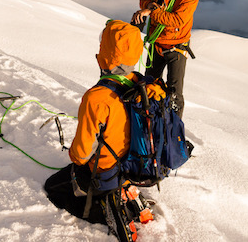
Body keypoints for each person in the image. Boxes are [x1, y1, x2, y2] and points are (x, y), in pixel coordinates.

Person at [44, 20, 166, 226]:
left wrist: (74, 156)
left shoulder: (97, 97)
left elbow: (81, 154)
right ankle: (127, 190)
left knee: (54, 187)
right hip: (137, 166)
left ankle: (107, 211)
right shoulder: (144, 85)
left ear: (106, 52)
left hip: (105, 171)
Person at [130, 0, 198, 118]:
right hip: (156, 42)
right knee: (148, 86)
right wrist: (150, 6)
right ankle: (148, 120)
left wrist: (152, 11)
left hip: (177, 46)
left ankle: (173, 130)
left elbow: (177, 21)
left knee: (174, 94)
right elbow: (143, 0)